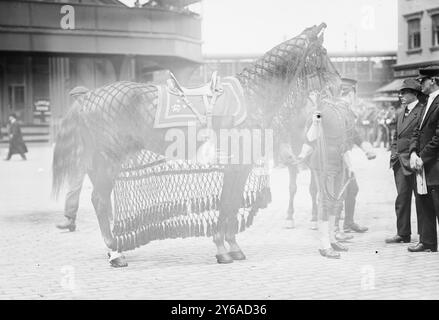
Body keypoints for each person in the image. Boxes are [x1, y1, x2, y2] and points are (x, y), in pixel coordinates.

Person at [385, 78, 425, 244]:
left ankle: (425, 236)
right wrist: (394, 154)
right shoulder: (401, 113)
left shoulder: (422, 111)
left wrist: (417, 156)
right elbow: (396, 136)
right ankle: (403, 234)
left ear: (414, 94)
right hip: (399, 163)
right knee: (402, 199)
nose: (400, 95)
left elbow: (422, 136)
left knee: (421, 199)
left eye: (404, 92)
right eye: (400, 93)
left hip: (415, 162)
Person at [334, 78, 375, 235]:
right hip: (338, 157)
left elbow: (354, 134)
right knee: (340, 191)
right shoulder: (342, 110)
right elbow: (343, 140)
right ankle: (336, 229)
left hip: (340, 155)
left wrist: (366, 149)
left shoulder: (344, 110)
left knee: (351, 189)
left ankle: (347, 223)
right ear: (350, 94)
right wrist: (350, 164)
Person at [408, 65, 439, 252]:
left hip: (434, 163)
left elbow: (438, 136)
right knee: (424, 201)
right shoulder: (427, 101)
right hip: (424, 163)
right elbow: (417, 131)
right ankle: (428, 242)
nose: (420, 84)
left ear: (433, 80)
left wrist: (423, 156)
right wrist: (413, 152)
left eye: (422, 81)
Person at [55, 86, 90, 232]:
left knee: (105, 187)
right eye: (75, 98)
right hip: (79, 157)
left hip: (97, 156)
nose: (77, 101)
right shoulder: (74, 114)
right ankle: (70, 219)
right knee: (73, 188)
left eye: (79, 97)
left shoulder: (94, 110)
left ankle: (113, 220)